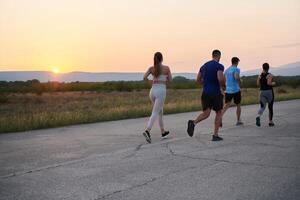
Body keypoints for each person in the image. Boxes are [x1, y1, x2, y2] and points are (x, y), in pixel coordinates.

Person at [187, 50, 225, 141]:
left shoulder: (203, 66)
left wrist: (206, 84)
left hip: (205, 93)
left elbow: (197, 80)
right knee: (219, 112)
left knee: (206, 113)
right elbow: (220, 78)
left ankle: (194, 122)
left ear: (212, 56)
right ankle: (215, 135)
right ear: (219, 56)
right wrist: (223, 86)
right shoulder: (219, 66)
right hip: (215, 92)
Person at [142, 52, 172, 143]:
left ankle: (163, 132)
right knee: (155, 112)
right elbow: (170, 80)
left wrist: (151, 82)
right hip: (161, 91)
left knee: (160, 112)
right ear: (162, 58)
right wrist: (165, 78)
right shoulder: (166, 68)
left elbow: (144, 77)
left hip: (152, 91)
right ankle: (147, 130)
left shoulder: (151, 68)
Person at [221, 57, 243, 126]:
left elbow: (224, 79)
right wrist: (240, 80)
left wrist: (224, 87)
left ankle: (220, 118)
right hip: (236, 90)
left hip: (228, 90)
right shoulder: (236, 69)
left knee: (226, 105)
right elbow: (236, 77)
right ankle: (238, 120)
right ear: (237, 62)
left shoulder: (227, 70)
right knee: (238, 105)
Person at [256, 63, 275, 127]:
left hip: (262, 92)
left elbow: (258, 84)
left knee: (262, 107)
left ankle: (258, 116)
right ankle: (270, 122)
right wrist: (273, 83)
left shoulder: (260, 75)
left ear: (262, 67)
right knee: (270, 107)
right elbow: (269, 83)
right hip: (269, 92)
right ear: (268, 68)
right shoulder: (269, 75)